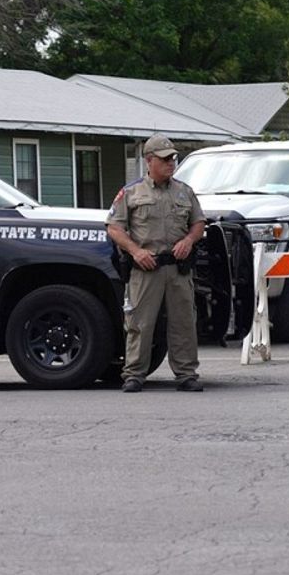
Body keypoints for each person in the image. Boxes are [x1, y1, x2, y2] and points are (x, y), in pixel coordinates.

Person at [106, 133, 208, 393]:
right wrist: (135, 251)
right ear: (149, 161)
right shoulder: (131, 192)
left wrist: (189, 240)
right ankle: (134, 375)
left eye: (172, 158)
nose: (170, 163)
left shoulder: (184, 191)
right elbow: (114, 228)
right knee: (140, 323)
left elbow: (198, 223)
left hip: (178, 268)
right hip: (146, 268)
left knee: (183, 322)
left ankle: (186, 374)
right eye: (164, 159)